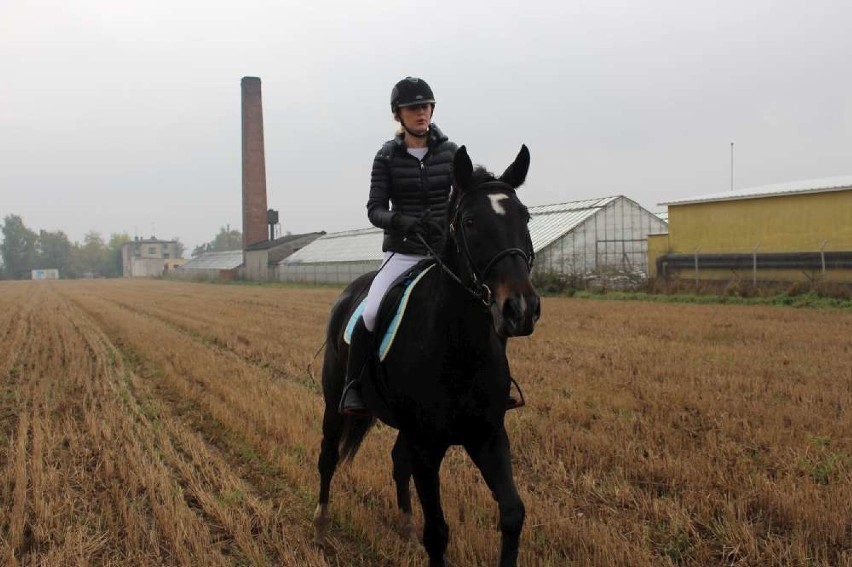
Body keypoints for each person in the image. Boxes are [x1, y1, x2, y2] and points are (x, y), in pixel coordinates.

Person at [340, 76, 457, 416]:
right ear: (398, 115)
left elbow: (463, 197)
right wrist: (402, 222)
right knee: (372, 310)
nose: (420, 112)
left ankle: (498, 381)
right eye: (412, 108)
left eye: (425, 106)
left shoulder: (451, 153)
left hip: (442, 250)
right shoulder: (387, 157)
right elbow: (374, 209)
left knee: (482, 302)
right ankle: (354, 386)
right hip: (403, 252)